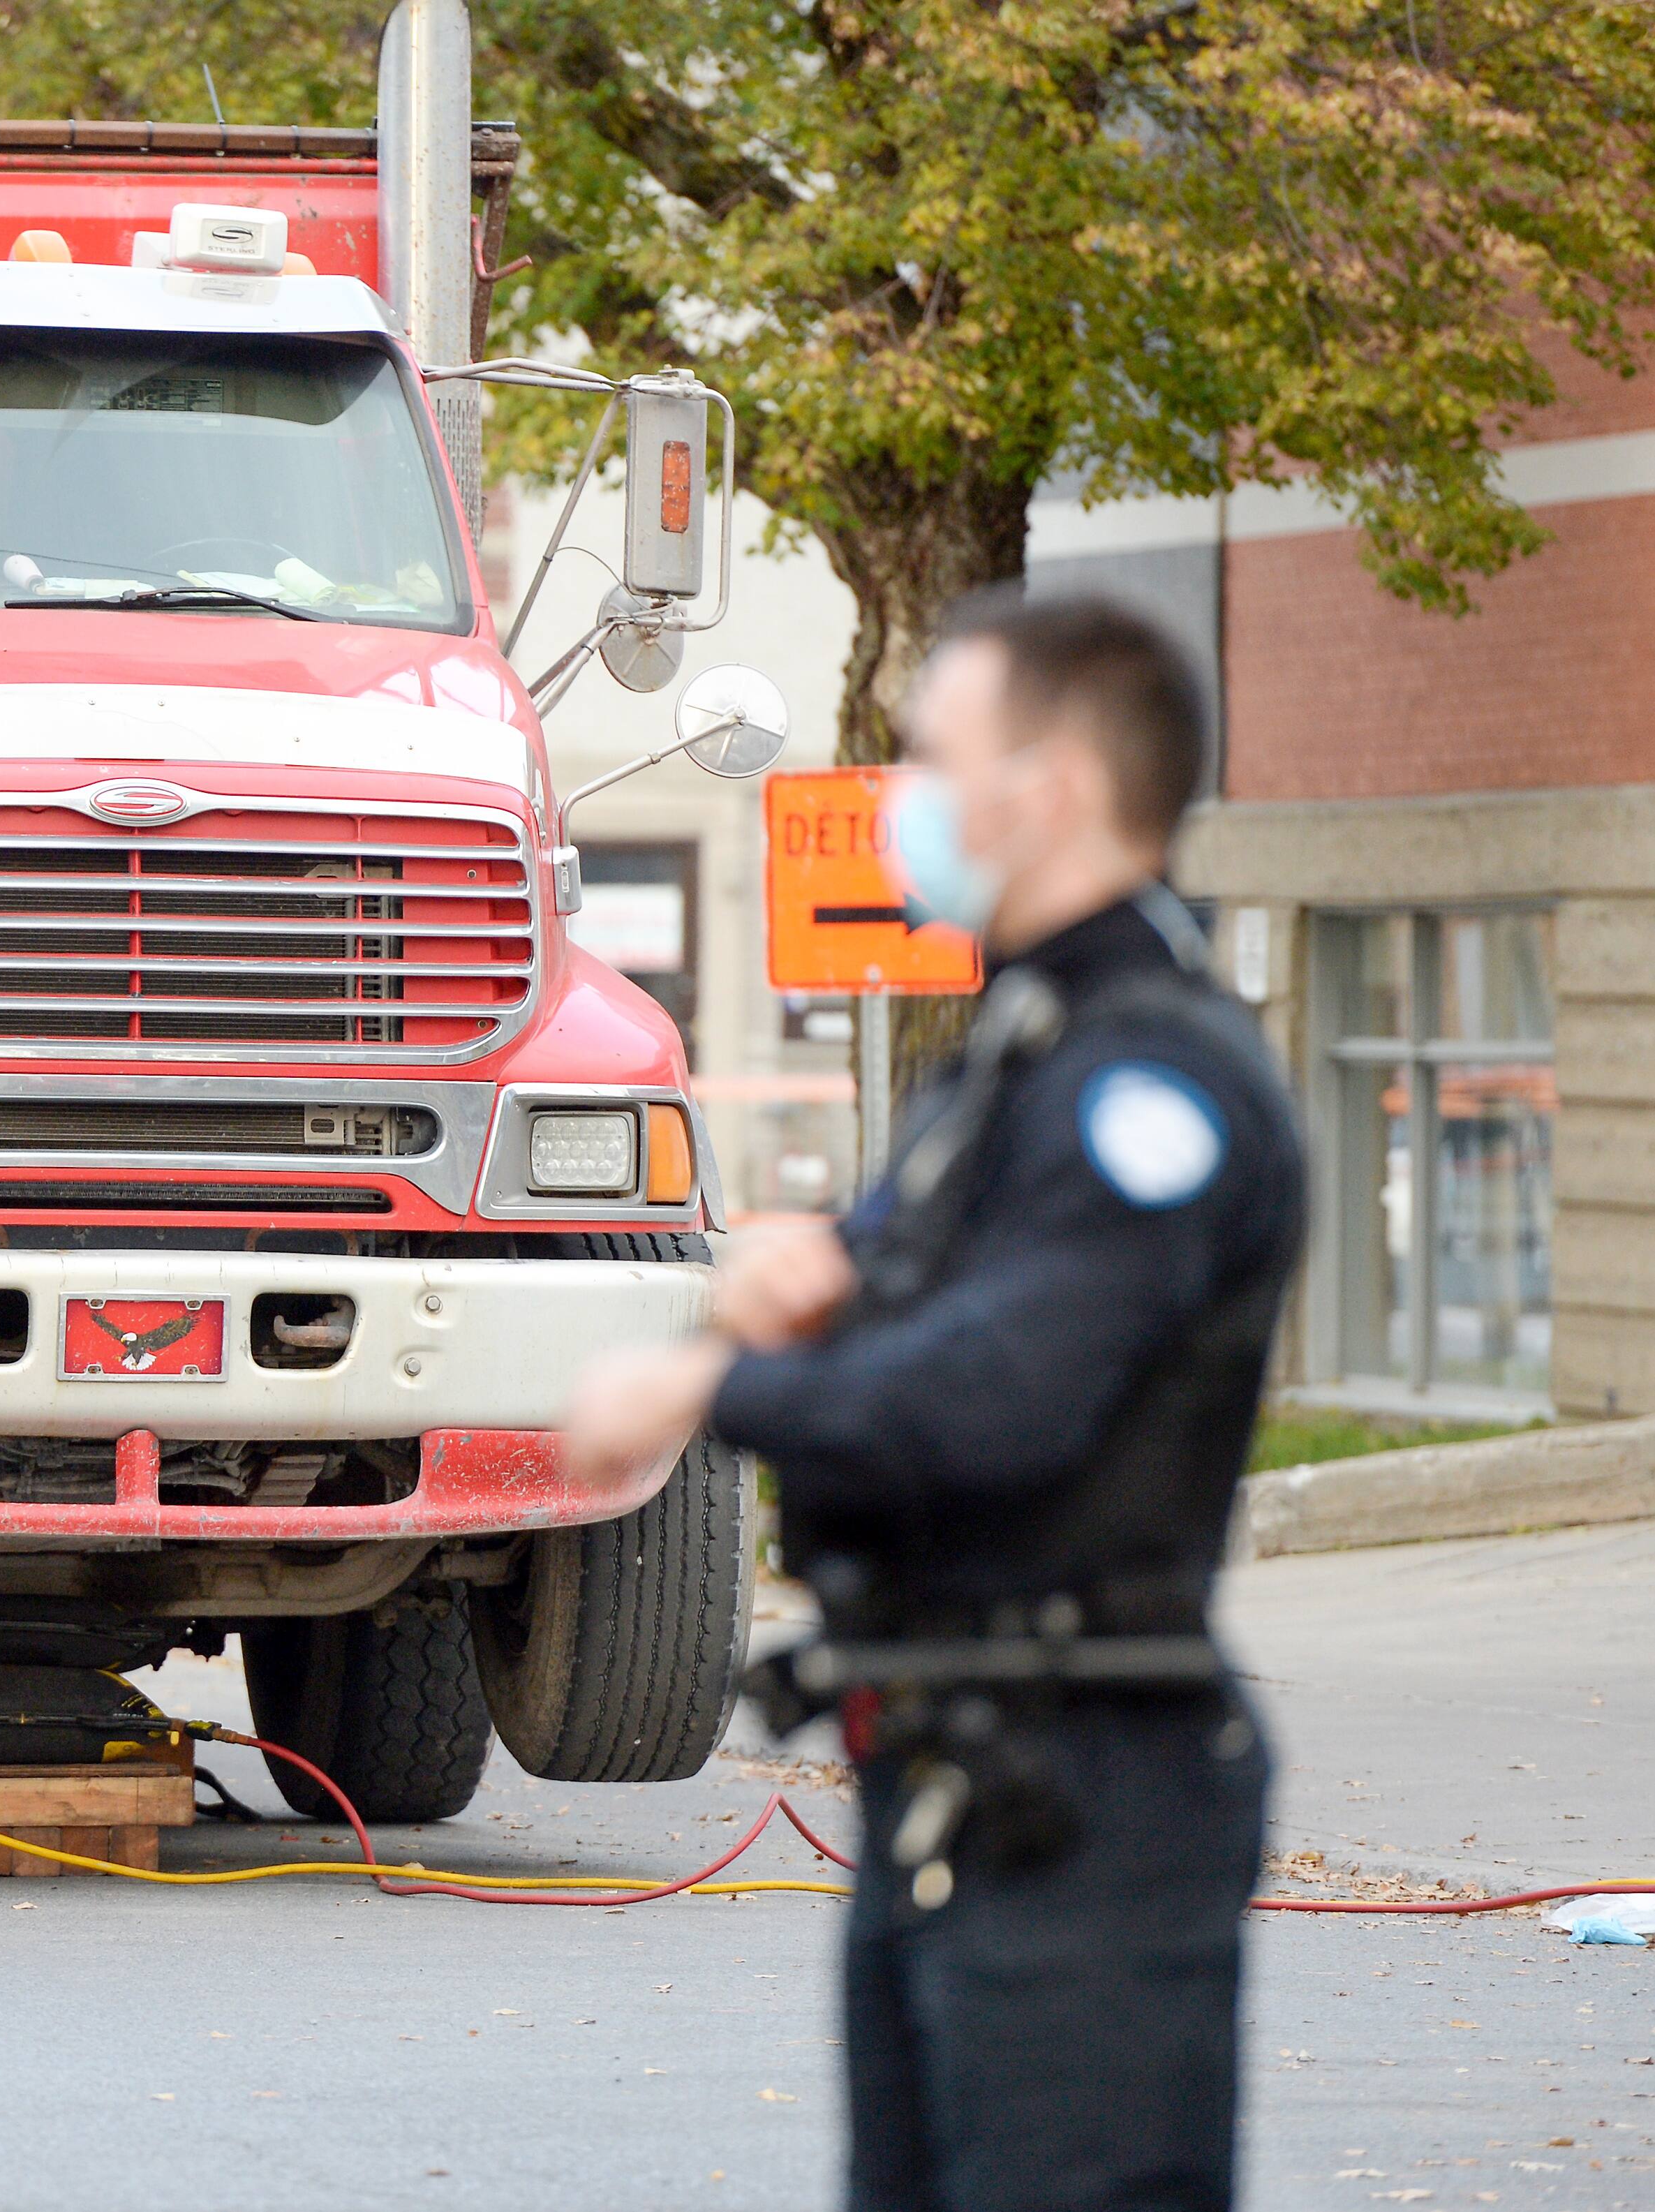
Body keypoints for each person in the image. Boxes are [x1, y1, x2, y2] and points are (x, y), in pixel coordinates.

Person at [565, 593, 1302, 2212]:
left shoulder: (1150, 1083)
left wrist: (715, 1377)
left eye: (927, 756)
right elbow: (911, 1309)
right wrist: (799, 1283)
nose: (895, 796)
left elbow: (998, 1396)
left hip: (1086, 1785)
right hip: (953, 1763)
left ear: (1041, 787)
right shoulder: (1016, 1059)